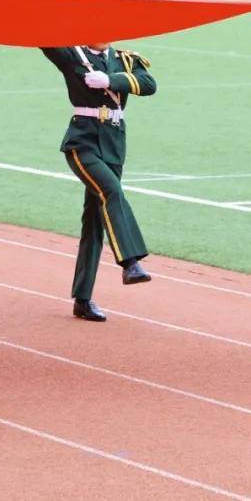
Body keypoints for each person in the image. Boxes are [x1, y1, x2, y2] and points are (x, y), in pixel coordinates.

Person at [40, 41, 157, 322]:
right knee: (112, 191)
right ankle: (130, 262)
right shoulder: (72, 53)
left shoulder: (125, 59)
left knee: (94, 221)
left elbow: (149, 83)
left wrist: (110, 79)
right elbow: (46, 40)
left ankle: (82, 299)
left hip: (114, 142)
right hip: (83, 142)